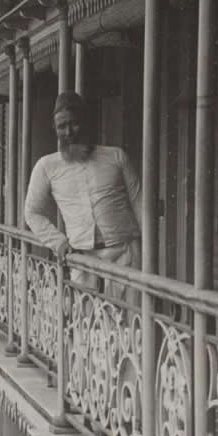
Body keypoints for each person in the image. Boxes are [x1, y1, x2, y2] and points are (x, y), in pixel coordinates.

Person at [24, 90, 141, 303]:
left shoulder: (115, 156)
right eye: (62, 126)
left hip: (123, 253)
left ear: (86, 123)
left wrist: (146, 256)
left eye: (74, 123)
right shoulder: (47, 166)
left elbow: (140, 204)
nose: (69, 132)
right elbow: (32, 213)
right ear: (55, 129)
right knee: (86, 323)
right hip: (81, 256)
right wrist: (58, 242)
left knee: (127, 323)